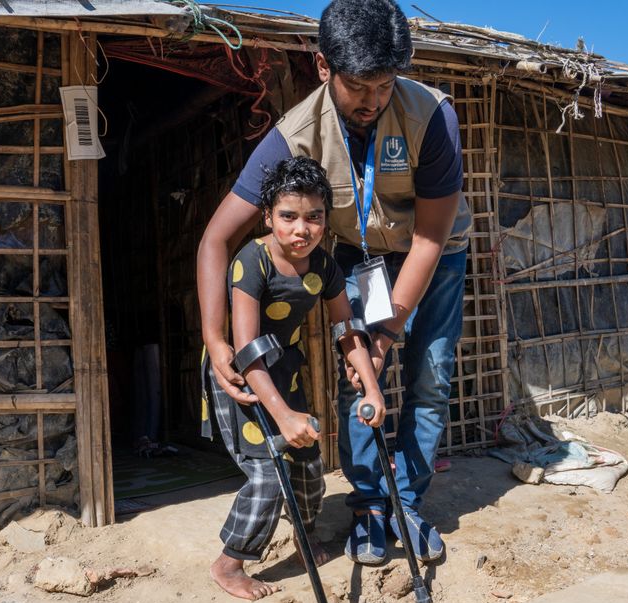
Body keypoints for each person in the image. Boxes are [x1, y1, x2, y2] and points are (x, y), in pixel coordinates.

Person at [197, 0, 468, 566]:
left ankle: (408, 504)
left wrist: (388, 330)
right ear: (323, 67)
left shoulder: (434, 117)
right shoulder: (293, 135)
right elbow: (215, 240)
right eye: (358, 87)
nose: (373, 102)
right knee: (358, 380)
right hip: (360, 258)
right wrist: (215, 336)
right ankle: (370, 506)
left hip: (433, 256)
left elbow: (429, 239)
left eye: (386, 85)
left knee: (432, 378)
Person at [203, 157, 387, 600]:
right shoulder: (252, 261)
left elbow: (346, 329)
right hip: (244, 379)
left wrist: (373, 386)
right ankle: (230, 563)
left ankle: (304, 538)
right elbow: (246, 349)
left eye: (313, 217)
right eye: (288, 217)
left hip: (284, 371)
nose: (301, 229)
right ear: (267, 217)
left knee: (307, 465)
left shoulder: (323, 266)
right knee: (268, 473)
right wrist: (282, 415)